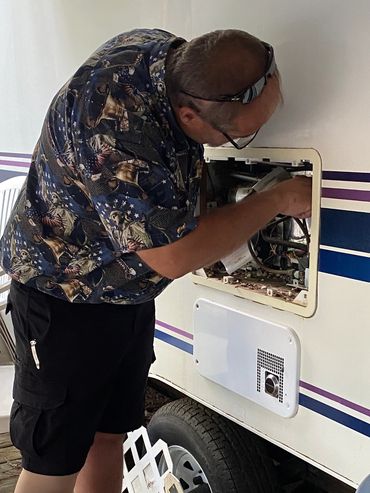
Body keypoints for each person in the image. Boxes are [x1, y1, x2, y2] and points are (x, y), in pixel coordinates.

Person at [0, 28, 311, 493]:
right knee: (56, 458)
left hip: (125, 295)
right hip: (63, 298)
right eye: (241, 136)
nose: (249, 140)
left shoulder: (172, 58)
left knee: (109, 437)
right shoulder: (112, 127)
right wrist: (277, 199)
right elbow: (173, 256)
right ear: (190, 113)